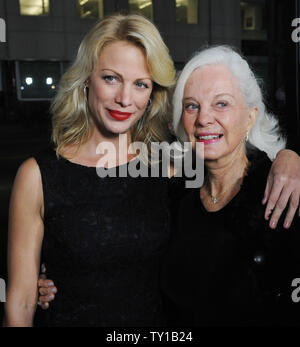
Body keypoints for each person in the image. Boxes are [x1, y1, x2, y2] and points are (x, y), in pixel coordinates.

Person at [6, 14, 300, 327]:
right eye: (111, 78)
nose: (124, 98)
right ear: (86, 79)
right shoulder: (38, 176)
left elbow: (234, 157)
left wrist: (289, 156)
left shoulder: (167, 168)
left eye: (140, 84)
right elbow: (20, 303)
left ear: (151, 94)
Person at [161, 45, 300, 326]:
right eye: (192, 106)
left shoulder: (284, 194)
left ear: (250, 116)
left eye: (221, 103)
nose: (203, 119)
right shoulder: (174, 197)